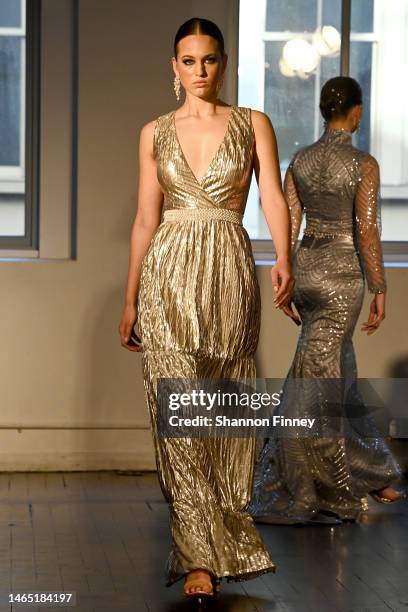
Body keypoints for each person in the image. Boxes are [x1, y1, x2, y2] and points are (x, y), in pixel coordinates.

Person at [118, 17, 294, 604]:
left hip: (228, 276)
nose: (199, 71)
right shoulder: (153, 133)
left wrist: (283, 258)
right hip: (167, 278)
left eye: (209, 60)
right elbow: (146, 218)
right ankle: (198, 555)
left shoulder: (252, 124)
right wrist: (130, 296)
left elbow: (270, 192)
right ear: (174, 67)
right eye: (188, 61)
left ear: (224, 63)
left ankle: (226, 536)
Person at [249, 76, 406, 526]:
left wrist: (287, 275)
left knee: (340, 373)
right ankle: (314, 481)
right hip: (341, 276)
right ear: (355, 111)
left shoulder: (299, 160)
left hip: (306, 269)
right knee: (318, 385)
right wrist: (380, 286)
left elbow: (290, 224)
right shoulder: (364, 163)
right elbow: (367, 230)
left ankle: (372, 474)